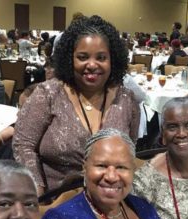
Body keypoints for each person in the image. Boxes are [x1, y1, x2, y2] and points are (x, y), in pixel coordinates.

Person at [13, 15, 140, 196]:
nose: (92, 65)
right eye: (82, 57)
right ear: (69, 59)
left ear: (113, 60)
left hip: (110, 200)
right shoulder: (48, 94)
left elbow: (129, 151)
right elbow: (23, 145)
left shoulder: (126, 100)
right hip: (55, 199)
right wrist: (37, 195)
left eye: (101, 57)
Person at [37, 128, 184, 219]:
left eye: (121, 167)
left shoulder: (144, 208)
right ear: (84, 167)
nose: (112, 176)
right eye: (102, 165)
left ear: (133, 170)